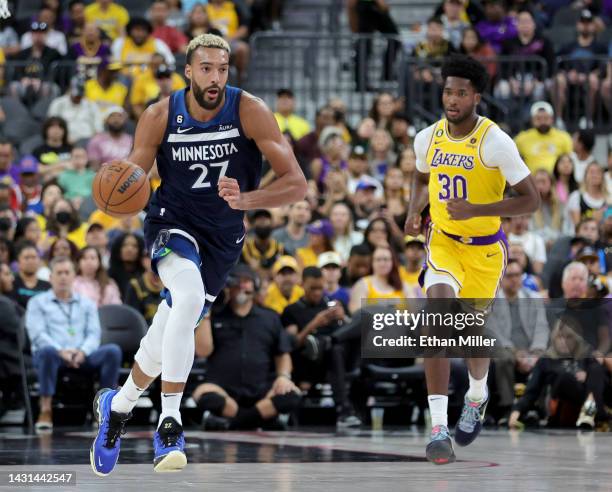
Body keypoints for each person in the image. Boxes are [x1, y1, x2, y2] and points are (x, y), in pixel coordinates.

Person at [90, 34, 307, 475]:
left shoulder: (249, 110)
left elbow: (296, 183)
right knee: (186, 298)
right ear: (188, 70)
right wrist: (119, 186)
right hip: (172, 221)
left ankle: (119, 406)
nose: (215, 77)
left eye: (222, 69)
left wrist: (247, 200)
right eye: (206, 68)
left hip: (223, 237)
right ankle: (170, 422)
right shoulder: (159, 114)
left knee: (168, 329)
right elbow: (134, 176)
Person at [404, 55, 539, 464]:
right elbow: (421, 175)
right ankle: (438, 427)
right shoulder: (428, 137)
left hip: (484, 250)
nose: (452, 99)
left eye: (461, 92)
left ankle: (477, 395)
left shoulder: (496, 141)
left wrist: (478, 209)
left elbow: (531, 199)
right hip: (443, 241)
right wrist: (414, 209)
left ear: (476, 96)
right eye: (448, 91)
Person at [193, 264, 301, 430]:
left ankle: (232, 423)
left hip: (261, 391)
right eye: (238, 281)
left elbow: (283, 354)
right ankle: (260, 419)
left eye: (247, 281)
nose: (243, 286)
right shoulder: (214, 316)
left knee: (292, 395)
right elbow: (202, 351)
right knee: (205, 397)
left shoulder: (269, 317)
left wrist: (284, 377)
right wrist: (207, 311)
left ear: (255, 286)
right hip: (223, 389)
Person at [25, 256, 122, 431]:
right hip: (53, 355)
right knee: (46, 351)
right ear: (50, 277)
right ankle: (45, 409)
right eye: (59, 273)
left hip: (82, 355)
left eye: (67, 272)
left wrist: (82, 351)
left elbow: (94, 333)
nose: (63, 277)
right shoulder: (37, 302)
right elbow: (38, 334)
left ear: (73, 276)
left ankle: (104, 409)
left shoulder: (86, 303)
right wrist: (61, 351)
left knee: (112, 351)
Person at [281, 266, 360, 427]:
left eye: (320, 288)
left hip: (345, 358)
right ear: (302, 285)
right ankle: (344, 410)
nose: (317, 293)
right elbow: (293, 343)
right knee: (334, 350)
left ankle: (329, 340)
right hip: (310, 360)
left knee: (362, 320)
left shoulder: (334, 305)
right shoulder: (292, 311)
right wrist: (314, 323)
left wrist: (343, 317)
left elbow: (353, 330)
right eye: (312, 288)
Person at [487, 259, 549, 421]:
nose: (515, 279)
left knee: (544, 360)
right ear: (501, 278)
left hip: (531, 350)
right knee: (504, 358)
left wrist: (536, 353)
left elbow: (541, 328)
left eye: (518, 275)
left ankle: (537, 407)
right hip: (507, 350)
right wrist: (516, 354)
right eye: (510, 276)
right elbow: (495, 334)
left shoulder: (534, 298)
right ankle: (508, 407)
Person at [514, 101, 573, 174]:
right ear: (532, 120)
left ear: (552, 119)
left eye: (546, 118)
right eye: (538, 119)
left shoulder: (564, 137)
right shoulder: (521, 139)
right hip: (532, 181)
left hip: (556, 181)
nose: (542, 122)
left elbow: (570, 161)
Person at [13, 241, 51, 309]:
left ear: (39, 261)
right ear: (18, 262)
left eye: (33, 257)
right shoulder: (12, 284)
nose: (30, 261)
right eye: (26, 258)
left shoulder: (48, 286)